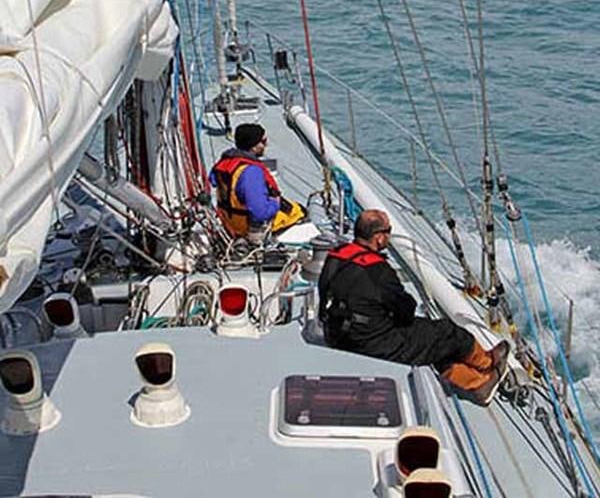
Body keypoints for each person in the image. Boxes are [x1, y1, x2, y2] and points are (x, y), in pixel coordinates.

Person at [318, 209, 509, 405]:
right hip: (371, 343)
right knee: (447, 333)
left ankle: (474, 381)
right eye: (388, 231)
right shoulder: (378, 270)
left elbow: (324, 292)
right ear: (379, 237)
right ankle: (487, 363)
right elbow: (405, 312)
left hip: (337, 336)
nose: (389, 236)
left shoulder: (337, 256)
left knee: (431, 343)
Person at [210, 123, 305, 240]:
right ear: (253, 146)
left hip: (229, 222)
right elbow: (260, 213)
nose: (266, 145)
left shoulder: (223, 164)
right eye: (263, 141)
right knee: (299, 211)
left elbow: (213, 181)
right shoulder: (251, 172)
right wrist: (275, 203)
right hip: (245, 227)